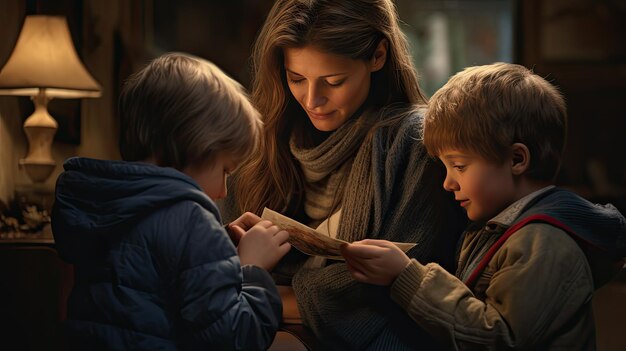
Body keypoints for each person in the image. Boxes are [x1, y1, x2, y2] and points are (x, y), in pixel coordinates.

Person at [224, 0, 467, 349]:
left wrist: (254, 289)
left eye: (334, 81)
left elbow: (389, 294)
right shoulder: (263, 139)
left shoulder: (415, 143)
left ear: (378, 56)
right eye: (296, 78)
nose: (312, 100)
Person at [341, 62, 626, 350]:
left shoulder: (544, 242)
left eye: (459, 166)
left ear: (516, 160)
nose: (448, 183)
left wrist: (408, 277)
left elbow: (497, 338)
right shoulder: (499, 229)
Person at [51, 52, 292, 350]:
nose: (224, 192)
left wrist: (220, 251)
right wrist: (252, 268)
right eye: (225, 170)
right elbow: (234, 338)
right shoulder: (191, 222)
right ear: (197, 148)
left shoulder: (103, 206)